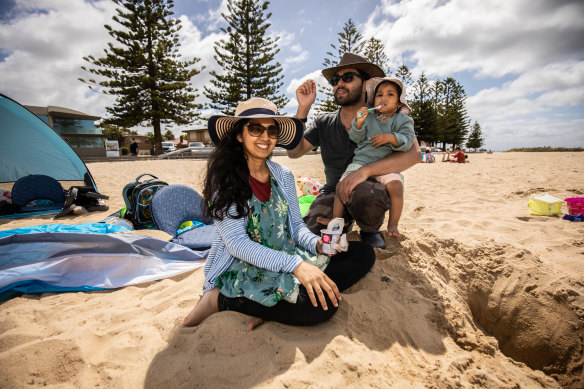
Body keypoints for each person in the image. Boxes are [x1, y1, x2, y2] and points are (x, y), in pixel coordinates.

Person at [183, 97, 375, 329]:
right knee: (319, 307)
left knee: (363, 253)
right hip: (244, 266)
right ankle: (218, 300)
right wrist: (297, 266)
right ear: (239, 135)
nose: (265, 137)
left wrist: (318, 246)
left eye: (271, 130)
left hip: (285, 256)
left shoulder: (282, 175)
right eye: (255, 128)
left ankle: (267, 307)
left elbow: (296, 228)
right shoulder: (223, 179)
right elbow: (237, 245)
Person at [288, 53, 422, 249]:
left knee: (366, 193)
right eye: (335, 80)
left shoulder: (386, 117)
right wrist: (303, 109)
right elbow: (294, 152)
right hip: (334, 193)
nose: (339, 83)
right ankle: (340, 222)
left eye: (348, 77)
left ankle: (370, 230)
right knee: (311, 236)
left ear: (365, 83)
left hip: (368, 190)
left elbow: (414, 154)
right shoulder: (324, 122)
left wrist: (364, 172)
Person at [322, 77, 414, 238]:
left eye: (390, 94)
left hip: (387, 165)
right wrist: (358, 123)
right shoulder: (369, 118)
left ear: (399, 103)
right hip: (362, 161)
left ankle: (393, 224)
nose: (383, 98)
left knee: (397, 187)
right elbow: (356, 138)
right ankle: (336, 221)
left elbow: (407, 142)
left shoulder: (403, 120)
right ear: (374, 101)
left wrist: (391, 138)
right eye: (379, 95)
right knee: (341, 185)